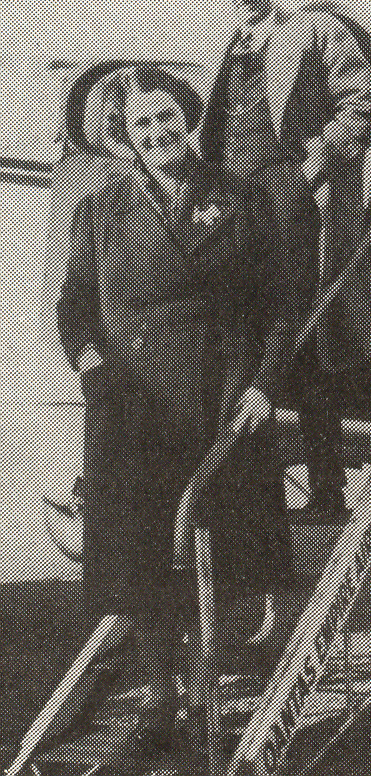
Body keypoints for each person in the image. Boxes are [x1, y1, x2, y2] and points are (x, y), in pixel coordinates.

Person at [56, 65, 317, 751]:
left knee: (214, 551)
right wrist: (91, 368)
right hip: (130, 404)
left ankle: (201, 694)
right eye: (142, 123)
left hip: (220, 395)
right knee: (139, 560)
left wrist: (264, 385)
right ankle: (158, 696)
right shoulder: (99, 212)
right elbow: (74, 308)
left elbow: (280, 309)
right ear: (125, 135)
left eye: (167, 115)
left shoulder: (243, 200)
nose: (158, 130)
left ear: (188, 116)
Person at [200, 0, 371, 521]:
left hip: (303, 223)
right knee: (237, 342)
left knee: (305, 348)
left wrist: (313, 163)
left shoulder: (318, 34)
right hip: (246, 221)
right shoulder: (236, 52)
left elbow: (365, 106)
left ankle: (328, 490)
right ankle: (251, 491)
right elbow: (212, 140)